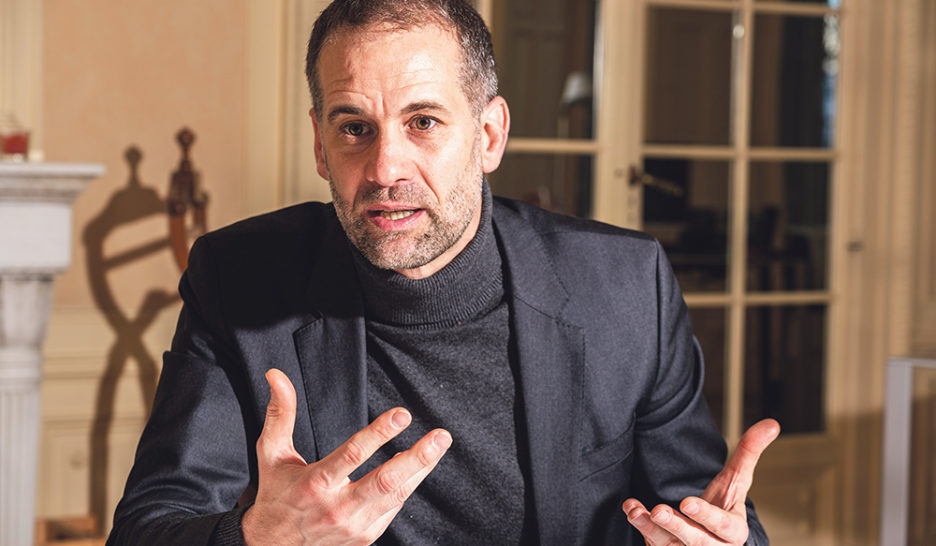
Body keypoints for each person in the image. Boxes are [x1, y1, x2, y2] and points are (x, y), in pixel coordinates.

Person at [108, 0, 779, 544]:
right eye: (353, 128)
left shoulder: (625, 286)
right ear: (319, 143)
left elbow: (705, 513)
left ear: (489, 136)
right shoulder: (239, 279)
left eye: (423, 121)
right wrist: (254, 538)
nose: (384, 169)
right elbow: (147, 528)